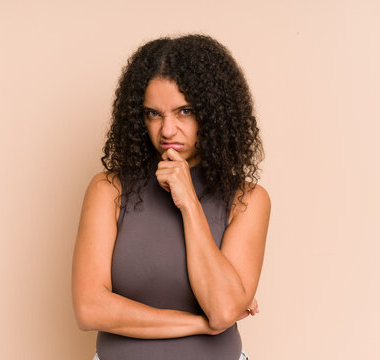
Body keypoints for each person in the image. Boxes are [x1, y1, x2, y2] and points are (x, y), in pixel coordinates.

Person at [71, 34, 271, 360]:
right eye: (153, 114)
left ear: (214, 112)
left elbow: (221, 310)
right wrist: (199, 324)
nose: (166, 130)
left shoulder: (248, 200)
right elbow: (89, 309)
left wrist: (189, 202)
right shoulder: (109, 191)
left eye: (184, 111)